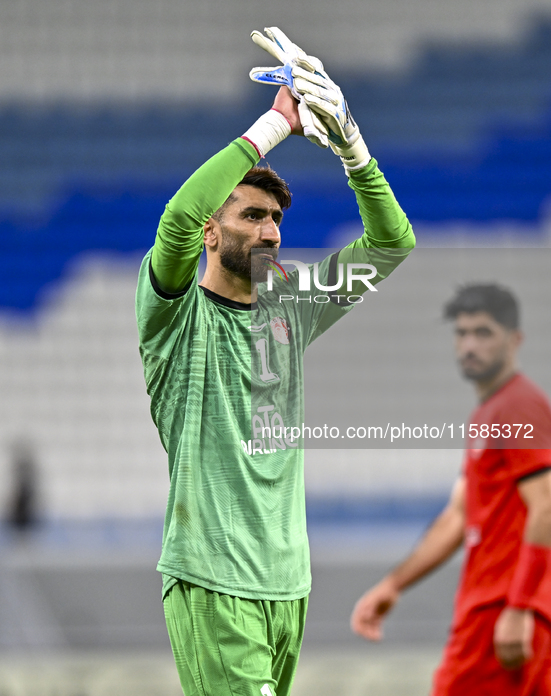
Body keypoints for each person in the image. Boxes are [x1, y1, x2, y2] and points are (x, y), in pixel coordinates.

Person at [136, 28, 415, 696]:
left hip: (288, 583)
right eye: (252, 215)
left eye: (275, 220)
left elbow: (390, 245)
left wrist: (352, 147)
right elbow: (175, 220)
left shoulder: (288, 307)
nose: (269, 231)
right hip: (213, 577)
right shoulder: (173, 312)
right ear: (212, 229)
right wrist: (274, 124)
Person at [351, 284, 551, 696]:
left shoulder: (518, 406)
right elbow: (458, 517)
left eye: (483, 333)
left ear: (515, 340)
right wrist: (394, 584)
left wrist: (520, 607)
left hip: (502, 617)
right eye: (462, 333)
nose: (469, 345)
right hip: (487, 614)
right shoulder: (488, 413)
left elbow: (546, 506)